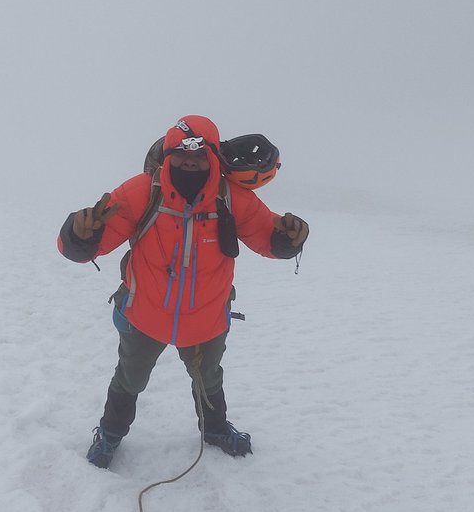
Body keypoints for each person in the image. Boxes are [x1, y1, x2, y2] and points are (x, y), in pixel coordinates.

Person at [57, 115, 309, 468]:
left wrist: (288, 240)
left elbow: (267, 236)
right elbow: (91, 243)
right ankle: (110, 435)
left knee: (208, 380)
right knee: (129, 379)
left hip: (206, 320)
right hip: (144, 315)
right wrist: (79, 236)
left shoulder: (232, 199)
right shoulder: (141, 192)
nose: (190, 160)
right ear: (167, 154)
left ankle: (216, 430)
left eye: (200, 153)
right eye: (180, 152)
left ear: (213, 157)